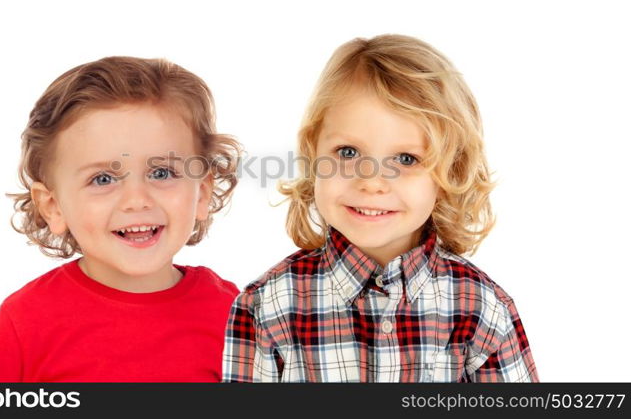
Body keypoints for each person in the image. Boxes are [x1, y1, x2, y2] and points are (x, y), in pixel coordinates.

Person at [223, 34, 539, 382]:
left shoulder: (481, 310)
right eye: (348, 152)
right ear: (314, 155)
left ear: (451, 170)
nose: (372, 182)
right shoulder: (268, 306)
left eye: (406, 159)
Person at [0, 56, 241, 382]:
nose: (137, 200)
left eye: (162, 172)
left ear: (201, 193)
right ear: (53, 207)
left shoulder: (233, 314)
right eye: (103, 179)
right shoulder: (27, 322)